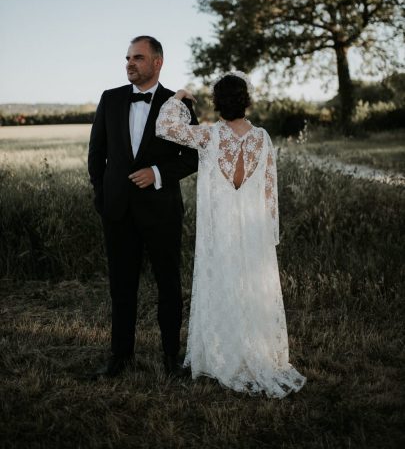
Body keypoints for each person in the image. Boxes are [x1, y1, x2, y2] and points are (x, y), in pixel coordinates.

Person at [155, 72, 306, 398]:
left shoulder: (209, 136)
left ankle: (224, 356)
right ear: (246, 100)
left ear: (218, 102)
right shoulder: (262, 138)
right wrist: (270, 235)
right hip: (253, 230)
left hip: (219, 230)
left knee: (221, 285)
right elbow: (269, 192)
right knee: (251, 290)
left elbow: (165, 128)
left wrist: (177, 98)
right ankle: (255, 354)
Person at [88, 36, 198, 378]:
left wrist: (158, 173)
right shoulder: (111, 99)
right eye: (127, 58)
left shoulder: (177, 103)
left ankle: (170, 358)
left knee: (168, 285)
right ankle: (120, 358)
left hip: (161, 211)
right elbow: (97, 154)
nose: (130, 63)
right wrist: (103, 197)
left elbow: (194, 155)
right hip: (117, 211)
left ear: (157, 62)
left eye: (138, 57)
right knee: (121, 287)